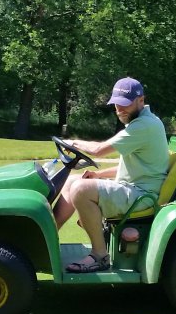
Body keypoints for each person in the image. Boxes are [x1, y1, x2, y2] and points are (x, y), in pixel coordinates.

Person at [53, 77, 169, 273]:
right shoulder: (141, 123)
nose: (120, 109)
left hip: (142, 196)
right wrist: (98, 175)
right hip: (133, 188)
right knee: (73, 180)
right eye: (117, 104)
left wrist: (73, 143)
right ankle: (48, 235)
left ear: (141, 100)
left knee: (81, 189)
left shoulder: (143, 126)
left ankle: (100, 256)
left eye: (125, 104)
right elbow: (133, 167)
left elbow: (99, 150)